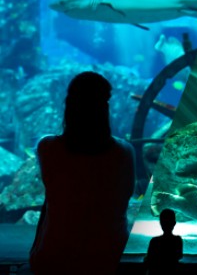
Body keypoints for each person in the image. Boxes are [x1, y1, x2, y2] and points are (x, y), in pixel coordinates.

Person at [29, 71, 136, 275]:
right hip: (108, 260)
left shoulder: (47, 148)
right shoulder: (124, 152)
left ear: (69, 106)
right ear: (105, 108)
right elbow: (124, 199)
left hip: (52, 260)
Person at [144, 208, 183, 275]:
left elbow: (149, 259)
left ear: (160, 223)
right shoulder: (178, 240)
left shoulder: (154, 241)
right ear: (174, 223)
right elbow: (179, 256)